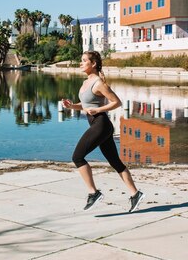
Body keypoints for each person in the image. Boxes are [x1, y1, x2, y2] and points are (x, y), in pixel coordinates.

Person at [62, 51, 145, 212]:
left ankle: (94, 193)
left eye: (84, 60)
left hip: (101, 125)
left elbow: (117, 102)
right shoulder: (86, 82)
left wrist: (98, 109)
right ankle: (135, 194)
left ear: (93, 64)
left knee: (77, 157)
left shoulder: (99, 83)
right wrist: (72, 106)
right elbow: (86, 104)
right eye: (81, 60)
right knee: (115, 162)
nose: (81, 63)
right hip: (98, 125)